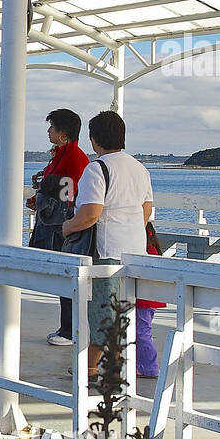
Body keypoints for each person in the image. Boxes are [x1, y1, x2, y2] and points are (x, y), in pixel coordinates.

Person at [61, 110, 154, 379]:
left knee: (103, 310)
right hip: (135, 250)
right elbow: (146, 211)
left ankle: (91, 367)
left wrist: (68, 227)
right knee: (122, 310)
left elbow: (91, 213)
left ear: (94, 139)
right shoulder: (140, 168)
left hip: (107, 251)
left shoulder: (97, 168)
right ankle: (112, 365)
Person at [31, 109, 90, 347]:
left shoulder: (74, 158)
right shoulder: (60, 156)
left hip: (62, 227)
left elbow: (72, 193)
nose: (48, 131)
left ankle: (70, 329)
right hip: (53, 224)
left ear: (63, 134)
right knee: (62, 278)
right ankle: (66, 326)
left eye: (52, 128)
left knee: (68, 277)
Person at [137, 222, 165, 378]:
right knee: (142, 331)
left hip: (144, 300)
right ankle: (143, 365)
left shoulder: (147, 252)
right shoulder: (153, 250)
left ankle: (150, 367)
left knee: (142, 333)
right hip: (148, 300)